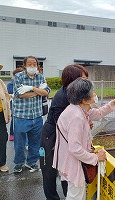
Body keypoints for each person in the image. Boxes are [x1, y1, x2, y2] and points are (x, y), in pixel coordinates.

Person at [52, 77, 115, 200]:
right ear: (85, 99)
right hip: (74, 163)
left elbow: (98, 113)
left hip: (70, 160)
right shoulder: (76, 117)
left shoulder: (78, 109)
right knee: (76, 196)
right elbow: (74, 148)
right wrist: (95, 158)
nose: (95, 94)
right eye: (92, 93)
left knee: (76, 194)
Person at [40, 64, 88, 200]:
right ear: (73, 80)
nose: (86, 82)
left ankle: (69, 195)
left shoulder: (74, 93)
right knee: (49, 171)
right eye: (83, 79)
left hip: (62, 135)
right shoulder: (64, 97)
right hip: (51, 136)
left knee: (67, 167)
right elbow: (65, 126)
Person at [13, 56, 50, 173]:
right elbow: (19, 94)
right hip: (21, 115)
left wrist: (31, 88)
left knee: (35, 142)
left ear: (37, 65)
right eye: (29, 64)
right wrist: (38, 92)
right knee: (20, 143)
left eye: (34, 64)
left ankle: (31, 162)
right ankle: (19, 163)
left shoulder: (40, 76)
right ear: (24, 65)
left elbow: (46, 92)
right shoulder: (19, 76)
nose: (32, 66)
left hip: (37, 115)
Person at [7, 67, 24, 141]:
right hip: (13, 103)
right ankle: (12, 134)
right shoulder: (10, 84)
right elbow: (10, 94)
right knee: (14, 118)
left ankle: (21, 134)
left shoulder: (24, 82)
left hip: (23, 104)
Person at [0, 64, 11, 172]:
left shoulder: (1, 82)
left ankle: (1, 163)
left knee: (2, 138)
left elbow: (6, 97)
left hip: (0, 115)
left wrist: (8, 114)